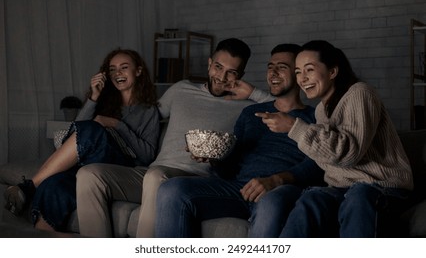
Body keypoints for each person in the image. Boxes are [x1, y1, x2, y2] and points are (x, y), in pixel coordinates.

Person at [75, 38, 273, 237]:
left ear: (241, 76)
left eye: (232, 72)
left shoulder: (246, 106)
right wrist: (94, 101)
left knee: (156, 177)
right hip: (153, 171)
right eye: (218, 67)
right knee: (89, 175)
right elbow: (141, 120)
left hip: (194, 180)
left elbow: (290, 110)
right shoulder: (181, 89)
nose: (221, 77)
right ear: (209, 63)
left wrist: (253, 93)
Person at [154, 43, 324, 238]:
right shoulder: (250, 113)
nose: (273, 73)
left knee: (270, 203)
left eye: (282, 67)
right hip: (239, 188)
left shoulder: (314, 117)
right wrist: (213, 158)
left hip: (280, 189)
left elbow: (318, 164)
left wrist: (275, 180)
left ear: (298, 73)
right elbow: (230, 168)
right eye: (270, 67)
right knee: (171, 189)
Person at [257, 40, 413, 237]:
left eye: (309, 70)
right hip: (342, 189)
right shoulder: (322, 109)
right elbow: (327, 158)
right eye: (298, 72)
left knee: (358, 195)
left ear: (332, 72)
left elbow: (349, 153)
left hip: (381, 186)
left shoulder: (359, 93)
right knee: (311, 199)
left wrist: (293, 127)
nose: (302, 79)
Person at [3, 48, 160, 232]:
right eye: (112, 69)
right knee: (53, 185)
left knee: (94, 128)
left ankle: (28, 187)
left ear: (138, 71)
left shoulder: (148, 111)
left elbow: (147, 155)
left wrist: (116, 124)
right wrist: (93, 97)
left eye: (124, 67)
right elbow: (75, 134)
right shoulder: (104, 103)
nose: (118, 73)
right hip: (87, 165)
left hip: (119, 165)